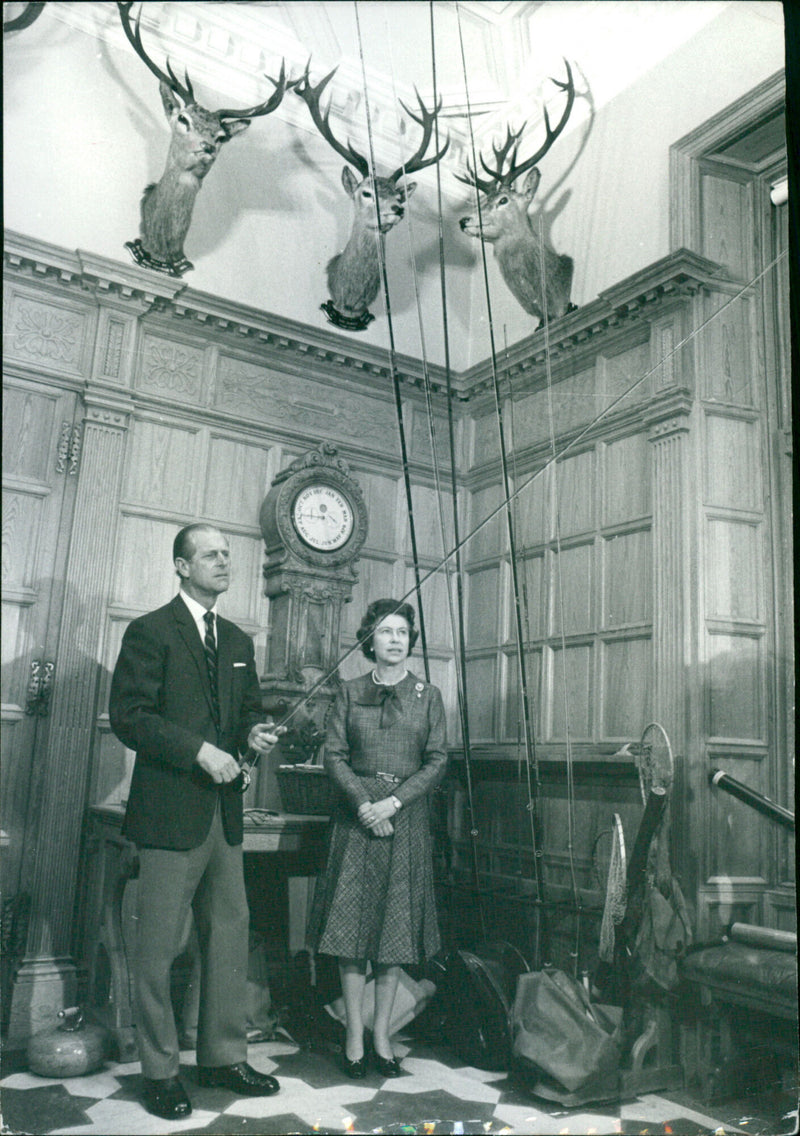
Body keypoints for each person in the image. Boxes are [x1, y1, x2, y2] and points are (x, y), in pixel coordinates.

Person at [109, 523, 284, 1120]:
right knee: (157, 949)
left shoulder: (236, 638)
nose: (223, 563)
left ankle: (221, 1057)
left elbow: (247, 716)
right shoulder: (149, 631)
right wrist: (199, 751)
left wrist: (250, 736)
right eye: (210, 555)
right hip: (167, 816)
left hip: (224, 818)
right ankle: (159, 1071)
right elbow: (129, 716)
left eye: (227, 555)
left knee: (229, 939)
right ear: (181, 566)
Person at [307, 598, 447, 1079]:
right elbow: (334, 755)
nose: (394, 639)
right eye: (385, 632)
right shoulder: (348, 691)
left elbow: (437, 760)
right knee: (351, 934)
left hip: (403, 822)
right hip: (355, 820)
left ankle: (382, 1037)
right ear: (371, 639)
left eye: (402, 633)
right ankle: (352, 1036)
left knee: (393, 937)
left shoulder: (429, 695)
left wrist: (393, 804)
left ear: (411, 640)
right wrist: (365, 805)